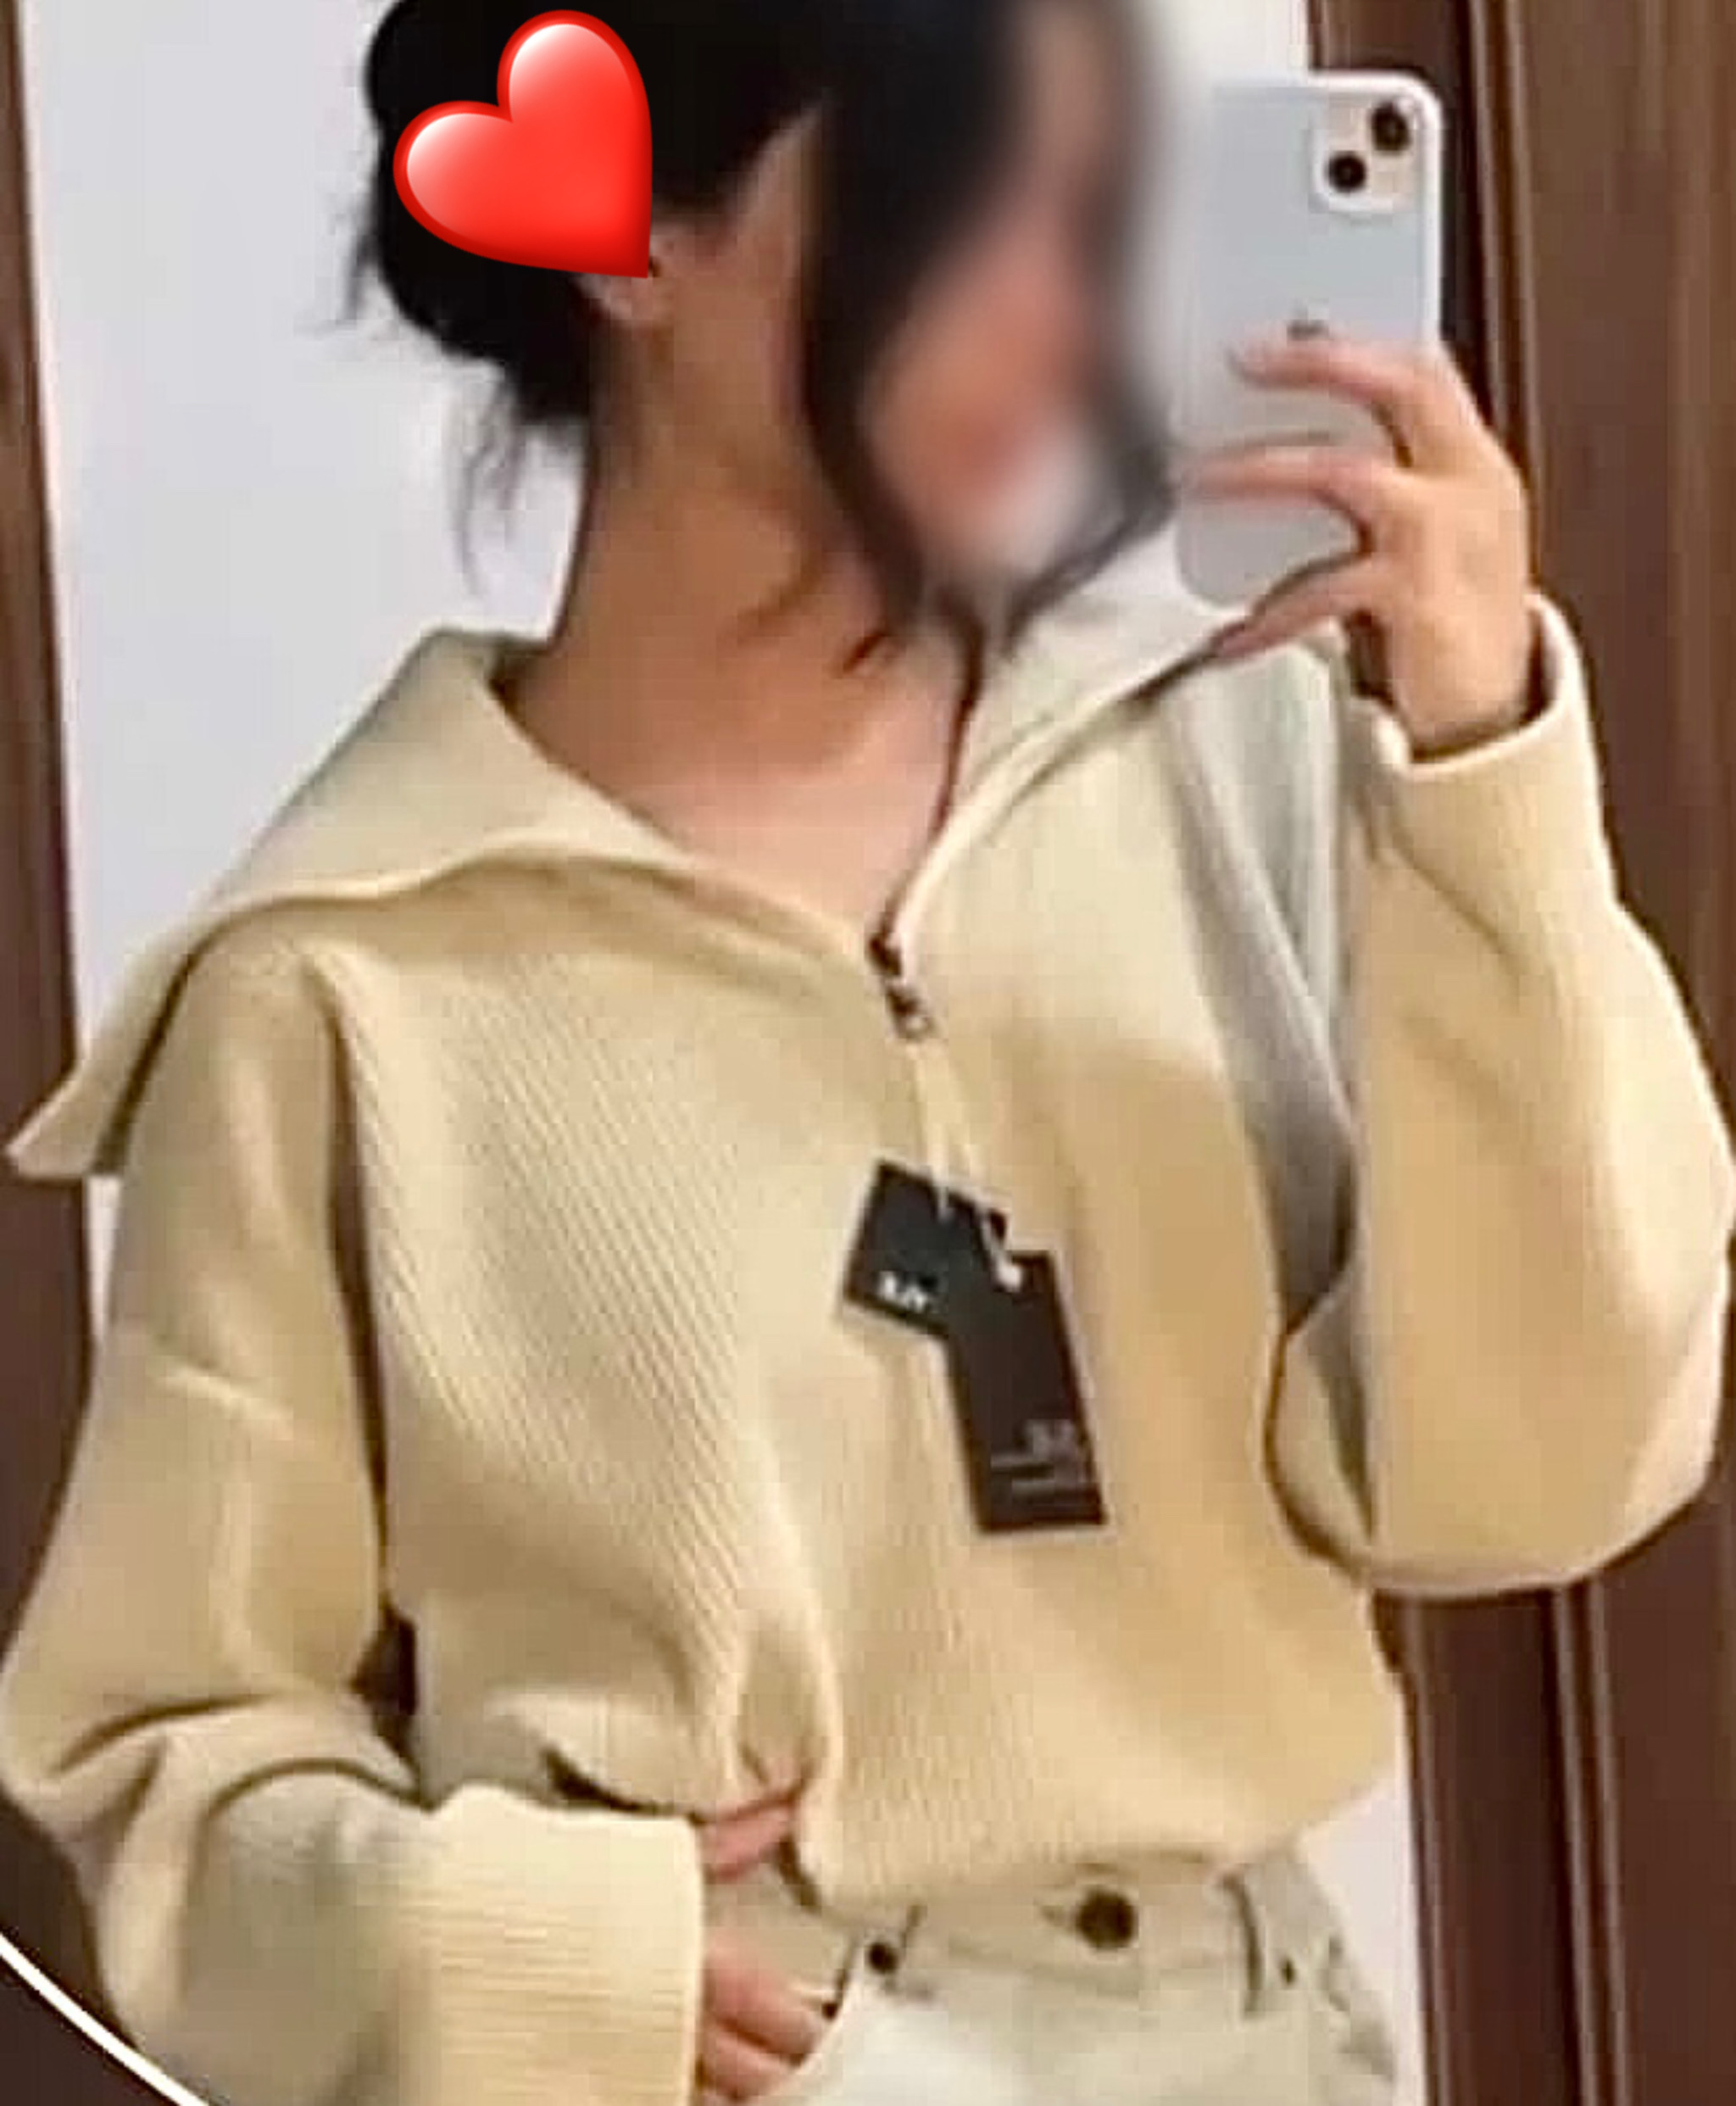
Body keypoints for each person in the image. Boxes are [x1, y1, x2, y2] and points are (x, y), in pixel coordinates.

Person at [2, 2, 1731, 2103]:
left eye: (1087, 213)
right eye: (962, 190)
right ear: (634, 233)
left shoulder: (1250, 762)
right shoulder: (339, 977)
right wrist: (539, 1957)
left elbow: (1545, 1470)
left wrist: (1472, 756)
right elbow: (158, 1758)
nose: (1061, 307)